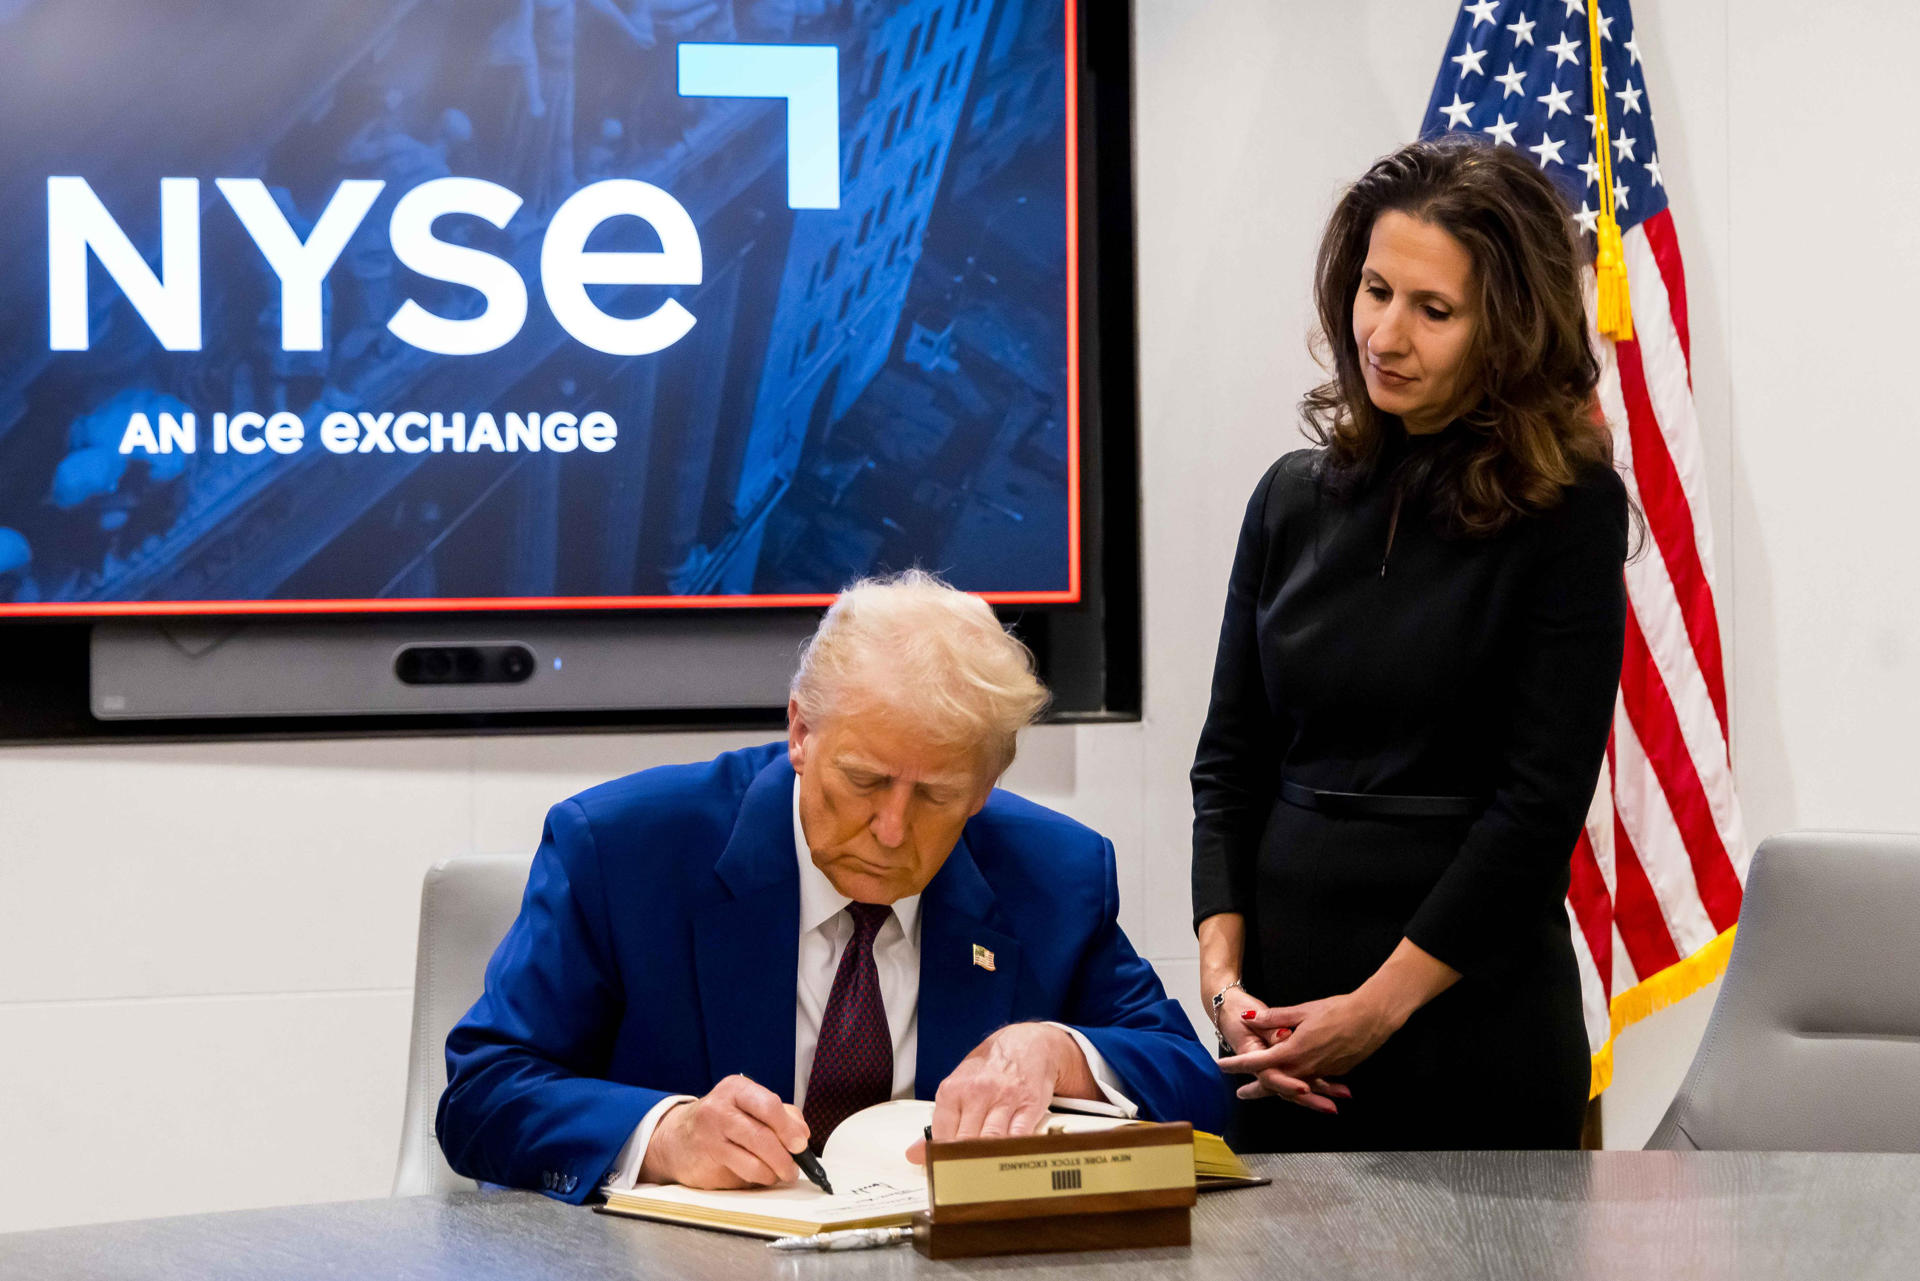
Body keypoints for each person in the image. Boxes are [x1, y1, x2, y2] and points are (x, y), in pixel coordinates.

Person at [440, 570, 1227, 1200]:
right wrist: (665, 1134)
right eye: (863, 780)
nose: (890, 829)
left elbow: (1200, 1087)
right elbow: (484, 1092)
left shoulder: (1054, 875)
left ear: (987, 786)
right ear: (800, 733)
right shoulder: (623, 849)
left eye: (936, 796)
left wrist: (1059, 1051)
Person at [1190, 134, 1631, 1152]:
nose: (1386, 333)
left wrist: (1375, 1011)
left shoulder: (1567, 511)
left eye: (1433, 311)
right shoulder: (1289, 499)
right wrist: (1226, 992)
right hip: (1280, 1041)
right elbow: (1228, 768)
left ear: (1507, 331)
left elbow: (1537, 810)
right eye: (1375, 290)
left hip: (1469, 1027)